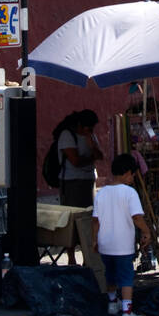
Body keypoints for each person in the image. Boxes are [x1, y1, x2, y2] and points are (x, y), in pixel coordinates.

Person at [92, 153, 151, 316]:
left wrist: (94, 240)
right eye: (132, 174)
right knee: (126, 278)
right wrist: (147, 231)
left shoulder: (101, 193)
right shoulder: (129, 193)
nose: (133, 178)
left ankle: (112, 304)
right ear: (126, 173)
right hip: (123, 244)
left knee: (110, 275)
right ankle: (127, 313)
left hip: (105, 243)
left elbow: (95, 220)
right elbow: (137, 217)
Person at [58, 109, 104, 266]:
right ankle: (71, 258)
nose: (90, 131)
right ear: (79, 125)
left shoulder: (91, 136)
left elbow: (100, 155)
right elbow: (75, 161)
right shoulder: (67, 136)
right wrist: (91, 157)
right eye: (87, 128)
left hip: (88, 181)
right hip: (71, 183)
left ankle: (87, 258)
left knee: (89, 221)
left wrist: (92, 147)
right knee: (71, 221)